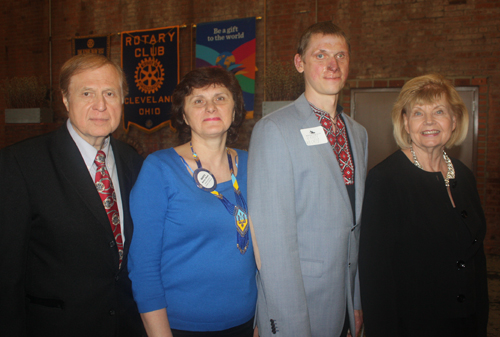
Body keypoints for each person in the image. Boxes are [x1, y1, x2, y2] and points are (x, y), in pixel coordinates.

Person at [0, 54, 145, 336]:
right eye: (87, 93)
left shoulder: (134, 162)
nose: (100, 105)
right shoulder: (21, 163)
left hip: (126, 326)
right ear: (66, 100)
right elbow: (6, 274)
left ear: (123, 100)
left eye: (110, 93)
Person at [248, 21, 366, 337]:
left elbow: (355, 227)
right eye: (321, 55)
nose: (332, 64)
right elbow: (272, 242)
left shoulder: (357, 133)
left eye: (341, 55)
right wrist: (290, 325)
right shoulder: (275, 130)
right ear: (299, 62)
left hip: (342, 301)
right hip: (299, 307)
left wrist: (355, 299)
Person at [128, 67, 257, 337]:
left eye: (220, 98)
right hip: (182, 326)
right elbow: (143, 266)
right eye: (198, 100)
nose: (210, 106)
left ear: (235, 110)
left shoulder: (253, 164)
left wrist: (262, 319)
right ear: (184, 115)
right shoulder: (160, 169)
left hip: (246, 320)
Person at [358, 73, 489, 337]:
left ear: (454, 120)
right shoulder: (386, 180)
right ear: (405, 123)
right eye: (418, 113)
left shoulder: (463, 176)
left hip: (466, 324)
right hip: (414, 325)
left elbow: (476, 261)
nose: (429, 121)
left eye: (439, 111)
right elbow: (376, 277)